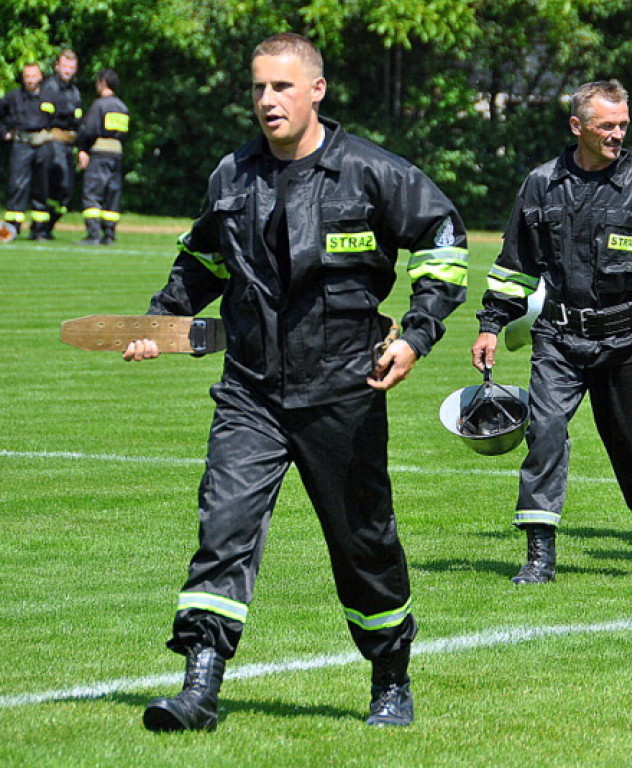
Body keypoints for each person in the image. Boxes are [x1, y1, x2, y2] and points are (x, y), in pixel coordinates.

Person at [129, 33, 468, 731]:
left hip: (343, 390)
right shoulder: (233, 175)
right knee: (223, 529)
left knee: (363, 541)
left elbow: (443, 240)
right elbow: (203, 261)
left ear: (316, 90)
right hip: (250, 390)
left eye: (281, 87)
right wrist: (163, 320)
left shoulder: (371, 171)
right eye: (257, 87)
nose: (266, 100)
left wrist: (417, 332)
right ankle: (199, 686)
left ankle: (390, 678)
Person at [472, 79, 632, 584]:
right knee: (545, 432)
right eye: (608, 126)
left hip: (629, 339)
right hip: (558, 337)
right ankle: (539, 555)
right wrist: (491, 325)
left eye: (623, 125)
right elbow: (514, 267)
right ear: (578, 127)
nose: (619, 134)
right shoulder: (540, 184)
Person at [76, 69, 129, 244]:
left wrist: (83, 149)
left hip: (99, 153)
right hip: (116, 153)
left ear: (103, 83)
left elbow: (89, 130)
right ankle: (109, 234)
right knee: (111, 194)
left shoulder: (99, 105)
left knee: (93, 193)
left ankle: (93, 234)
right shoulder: (123, 108)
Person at [0, 63, 51, 240]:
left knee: (41, 187)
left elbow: (59, 119)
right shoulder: (13, 96)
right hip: (21, 143)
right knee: (17, 185)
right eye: (27, 76)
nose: (30, 80)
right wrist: (3, 132)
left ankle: (39, 230)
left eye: (33, 76)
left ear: (40, 77)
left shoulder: (49, 97)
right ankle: (11, 229)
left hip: (42, 145)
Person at [38, 49, 82, 240]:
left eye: (71, 67)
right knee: (52, 183)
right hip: (52, 141)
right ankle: (39, 228)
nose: (67, 70)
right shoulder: (49, 87)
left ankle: (48, 225)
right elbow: (47, 116)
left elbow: (78, 120)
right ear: (57, 66)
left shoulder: (75, 91)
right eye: (65, 65)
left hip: (68, 144)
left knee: (65, 190)